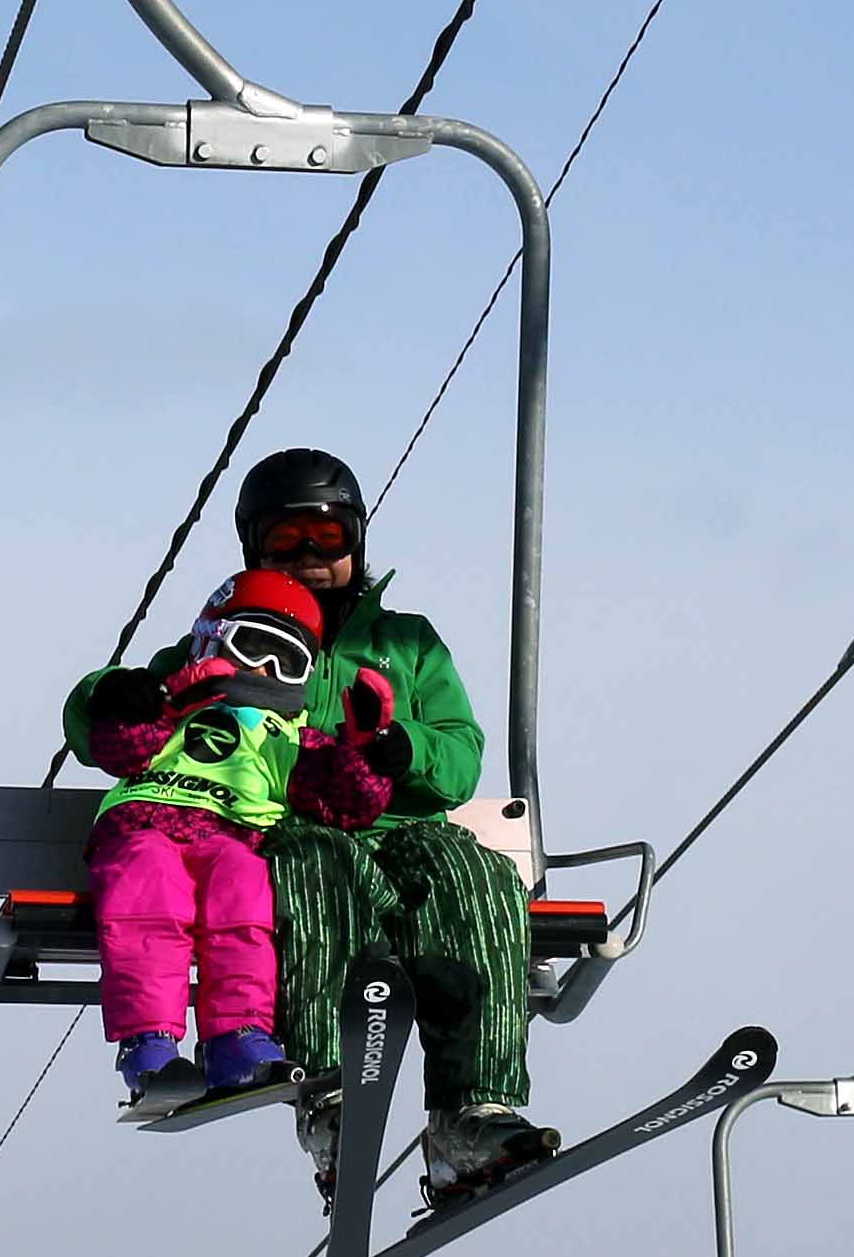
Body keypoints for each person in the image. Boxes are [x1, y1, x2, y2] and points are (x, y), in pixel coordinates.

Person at [71, 445, 552, 1208]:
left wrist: (402, 748)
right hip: (287, 827)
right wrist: (112, 693)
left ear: (356, 540)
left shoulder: (407, 643)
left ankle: (472, 1113)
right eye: (285, 540)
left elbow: (459, 756)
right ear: (253, 548)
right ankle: (330, 1095)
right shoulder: (224, 633)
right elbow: (113, 719)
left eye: (326, 537)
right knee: (311, 867)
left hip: (399, 823)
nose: (309, 558)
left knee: (474, 877)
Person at [67, 567, 328, 1114]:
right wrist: (158, 700)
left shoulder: (287, 734)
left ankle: (237, 1037)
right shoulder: (172, 711)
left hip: (234, 840)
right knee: (149, 900)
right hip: (143, 827)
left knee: (245, 900)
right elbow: (120, 747)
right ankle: (150, 1042)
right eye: (253, 647)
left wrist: (369, 749)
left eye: (286, 660)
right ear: (212, 639)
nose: (265, 669)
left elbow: (340, 797)